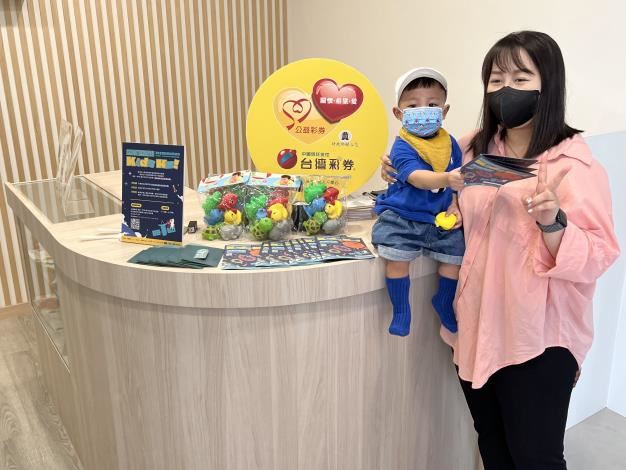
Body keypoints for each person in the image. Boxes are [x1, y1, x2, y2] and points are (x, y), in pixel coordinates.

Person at [381, 31, 620, 469]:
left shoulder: (574, 164)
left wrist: (552, 221)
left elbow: (599, 254)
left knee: (536, 458)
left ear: (548, 85)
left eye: (521, 78)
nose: (506, 89)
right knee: (491, 444)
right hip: (475, 325)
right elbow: (436, 182)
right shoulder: (474, 148)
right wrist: (398, 170)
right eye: (496, 79)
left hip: (538, 339)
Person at [372, 67, 465, 337]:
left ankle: (443, 301)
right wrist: (447, 179)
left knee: (455, 258)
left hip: (438, 220)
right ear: (398, 113)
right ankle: (401, 310)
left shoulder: (451, 144)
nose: (423, 110)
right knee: (396, 260)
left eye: (432, 105)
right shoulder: (402, 145)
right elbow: (417, 178)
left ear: (444, 111)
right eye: (413, 106)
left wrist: (454, 203)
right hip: (403, 217)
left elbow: (457, 181)